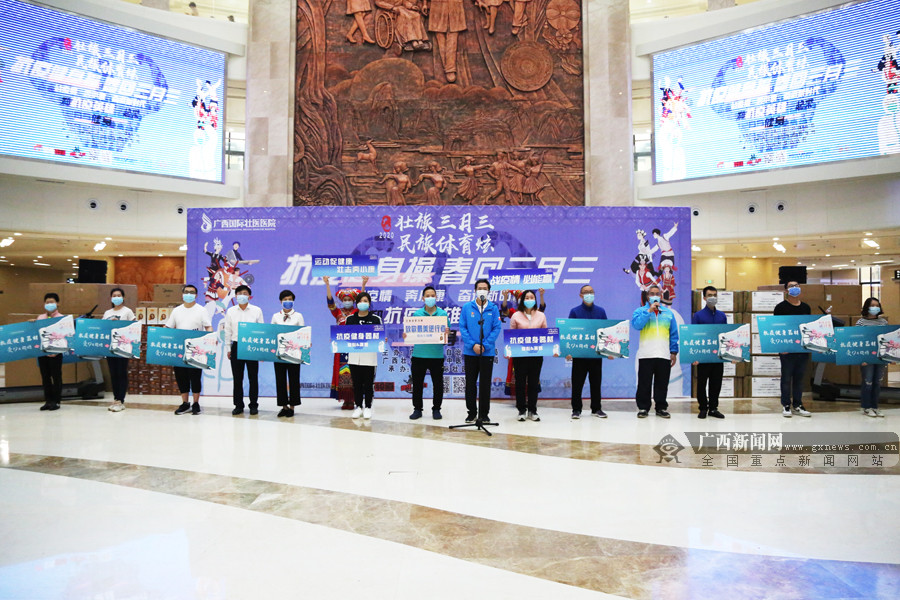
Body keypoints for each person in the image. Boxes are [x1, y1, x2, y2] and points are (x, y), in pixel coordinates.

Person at [631, 284, 678, 418]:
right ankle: (643, 408)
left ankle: (661, 407)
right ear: (647, 296)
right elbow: (637, 325)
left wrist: (673, 352)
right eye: (652, 294)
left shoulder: (668, 313)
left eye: (657, 293)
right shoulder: (640, 311)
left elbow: (674, 333)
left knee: (662, 383)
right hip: (646, 354)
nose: (655, 296)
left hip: (663, 354)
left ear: (661, 296)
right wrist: (649, 311)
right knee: (644, 383)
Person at [166, 285, 212, 415]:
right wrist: (159, 335)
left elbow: (208, 327)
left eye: (192, 292)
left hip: (196, 348)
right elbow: (168, 327)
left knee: (195, 376)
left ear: (196, 295)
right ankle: (185, 403)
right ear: (182, 294)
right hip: (179, 348)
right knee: (181, 376)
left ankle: (196, 403)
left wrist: (210, 338)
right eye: (186, 292)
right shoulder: (176, 311)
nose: (189, 294)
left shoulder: (201, 310)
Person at [460, 279, 502, 423]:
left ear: (488, 291)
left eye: (484, 288)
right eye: (479, 288)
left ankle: (484, 414)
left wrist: (486, 344)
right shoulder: (467, 307)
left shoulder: (493, 308)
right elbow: (463, 327)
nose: (482, 290)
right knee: (470, 383)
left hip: (487, 352)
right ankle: (471, 413)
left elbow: (497, 327)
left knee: (485, 384)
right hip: (470, 352)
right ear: (475, 290)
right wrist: (473, 345)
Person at [325, 274, 367, 409]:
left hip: (355, 346)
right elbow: (330, 303)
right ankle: (345, 399)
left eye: (349, 299)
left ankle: (354, 399)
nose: (347, 301)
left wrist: (363, 285)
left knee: (355, 372)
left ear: (353, 301)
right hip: (341, 347)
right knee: (342, 371)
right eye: (345, 299)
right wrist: (327, 284)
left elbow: (363, 299)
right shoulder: (337, 312)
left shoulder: (357, 312)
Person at [567, 284, 609, 419]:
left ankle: (596, 408)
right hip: (579, 355)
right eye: (585, 292)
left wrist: (610, 351)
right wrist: (568, 351)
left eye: (591, 291)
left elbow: (606, 332)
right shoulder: (574, 312)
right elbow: (569, 333)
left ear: (594, 294)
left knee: (596, 383)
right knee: (577, 383)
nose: (588, 294)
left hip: (596, 355)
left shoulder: (601, 312)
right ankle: (576, 409)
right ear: (580, 295)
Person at [406, 286, 448, 420]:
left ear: (436, 297)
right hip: (419, 355)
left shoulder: (443, 314)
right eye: (427, 296)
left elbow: (445, 338)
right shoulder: (417, 315)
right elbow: (412, 335)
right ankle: (417, 409)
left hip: (436, 355)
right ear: (423, 298)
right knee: (417, 384)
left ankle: (436, 409)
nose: (430, 298)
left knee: (438, 384)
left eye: (432, 296)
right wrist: (408, 335)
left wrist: (446, 334)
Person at [774, 280, 812, 418]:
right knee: (786, 377)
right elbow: (777, 328)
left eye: (797, 286)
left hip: (802, 348)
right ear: (786, 291)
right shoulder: (780, 307)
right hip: (787, 349)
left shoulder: (806, 307)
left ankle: (798, 405)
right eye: (791, 286)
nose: (794, 288)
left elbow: (809, 327)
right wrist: (781, 347)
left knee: (799, 378)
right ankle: (786, 405)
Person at [224, 285, 264, 415]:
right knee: (237, 378)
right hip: (236, 345)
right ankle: (238, 405)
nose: (242, 295)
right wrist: (228, 348)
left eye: (245, 293)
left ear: (249, 296)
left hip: (252, 346)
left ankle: (253, 405)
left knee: (253, 377)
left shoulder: (257, 310)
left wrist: (260, 350)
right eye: (239, 293)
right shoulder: (230, 311)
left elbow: (261, 330)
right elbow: (227, 331)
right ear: (236, 296)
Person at [509, 290, 549, 421]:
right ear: (522, 300)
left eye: (532, 297)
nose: (529, 299)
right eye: (527, 297)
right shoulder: (516, 315)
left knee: (533, 383)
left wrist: (551, 347)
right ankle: (521, 410)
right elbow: (511, 335)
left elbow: (545, 334)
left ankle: (532, 410)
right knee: (520, 383)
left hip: (536, 354)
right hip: (520, 355)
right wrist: (509, 350)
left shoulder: (541, 315)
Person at [691, 286, 726, 419]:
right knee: (702, 383)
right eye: (710, 295)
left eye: (715, 295)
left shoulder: (722, 316)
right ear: (704, 298)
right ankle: (703, 408)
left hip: (718, 356)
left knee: (716, 383)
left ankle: (713, 408)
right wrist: (694, 356)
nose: (713, 298)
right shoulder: (698, 315)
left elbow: (726, 336)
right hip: (703, 355)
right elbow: (693, 335)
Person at [345, 292, 382, 419]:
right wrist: (336, 340)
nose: (363, 303)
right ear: (356, 304)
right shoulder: (350, 319)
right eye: (360, 301)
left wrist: (383, 340)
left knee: (368, 384)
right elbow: (345, 336)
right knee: (356, 384)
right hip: (354, 357)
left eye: (365, 301)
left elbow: (380, 337)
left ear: (369, 303)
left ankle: (368, 407)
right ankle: (358, 407)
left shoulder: (376, 319)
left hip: (369, 357)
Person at [272, 289, 305, 418]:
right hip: (279, 353)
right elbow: (272, 333)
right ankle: (284, 406)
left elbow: (303, 333)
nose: (287, 301)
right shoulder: (276, 316)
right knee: (280, 379)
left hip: (294, 353)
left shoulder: (298, 316)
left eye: (290, 299)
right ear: (280, 301)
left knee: (294, 379)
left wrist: (306, 343)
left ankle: (292, 407)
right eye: (285, 299)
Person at [103, 288, 136, 413]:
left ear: (123, 297)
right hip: (110, 347)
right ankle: (115, 398)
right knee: (113, 373)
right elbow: (103, 328)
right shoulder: (107, 313)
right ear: (111, 298)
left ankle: (121, 400)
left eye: (119, 295)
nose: (116, 297)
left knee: (121, 372)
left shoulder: (127, 311)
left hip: (123, 347)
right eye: (114, 295)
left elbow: (134, 327)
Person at [857, 297, 888, 418]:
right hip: (867, 357)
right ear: (867, 307)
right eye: (872, 305)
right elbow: (857, 340)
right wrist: (861, 358)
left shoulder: (883, 322)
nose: (875, 308)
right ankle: (866, 407)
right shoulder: (861, 322)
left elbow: (888, 339)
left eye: (877, 305)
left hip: (881, 356)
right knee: (868, 382)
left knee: (877, 382)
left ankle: (875, 406)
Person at [36, 293, 64, 411]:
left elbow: (65, 335)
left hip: (56, 352)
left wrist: (57, 350)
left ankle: (56, 401)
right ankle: (48, 400)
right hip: (43, 352)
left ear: (58, 303)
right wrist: (32, 324)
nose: (49, 304)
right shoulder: (40, 318)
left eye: (52, 302)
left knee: (56, 377)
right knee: (45, 377)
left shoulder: (62, 318)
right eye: (47, 302)